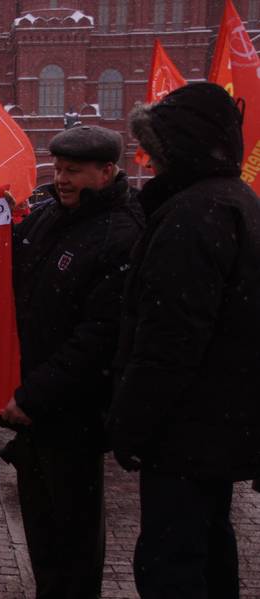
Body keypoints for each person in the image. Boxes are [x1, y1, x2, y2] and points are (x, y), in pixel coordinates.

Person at [109, 82, 260, 599]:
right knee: (211, 546)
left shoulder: (191, 216)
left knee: (171, 562)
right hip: (220, 423)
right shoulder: (238, 201)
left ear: (184, 148)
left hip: (185, 429)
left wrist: (130, 423)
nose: (149, 160)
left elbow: (169, 339)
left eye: (158, 147)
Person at [1, 126, 144, 599]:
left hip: (74, 415)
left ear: (107, 172)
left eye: (74, 171)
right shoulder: (48, 219)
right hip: (35, 412)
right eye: (58, 168)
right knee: (41, 530)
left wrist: (33, 394)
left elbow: (97, 338)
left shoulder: (121, 233)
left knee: (75, 536)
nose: (61, 179)